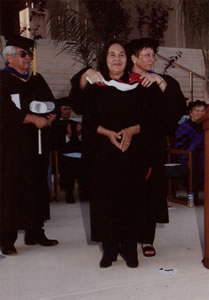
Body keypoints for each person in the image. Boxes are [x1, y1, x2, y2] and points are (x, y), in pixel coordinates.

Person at [69, 39, 161, 268]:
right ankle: (109, 249)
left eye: (121, 54)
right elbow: (85, 117)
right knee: (105, 201)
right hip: (103, 152)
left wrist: (131, 130)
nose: (117, 59)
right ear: (105, 59)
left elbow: (152, 119)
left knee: (132, 200)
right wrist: (108, 133)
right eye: (112, 55)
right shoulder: (96, 85)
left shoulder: (140, 85)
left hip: (133, 153)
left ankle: (130, 249)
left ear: (128, 59)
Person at [126, 37, 186, 257]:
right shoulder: (123, 81)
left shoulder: (162, 81)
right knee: (126, 193)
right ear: (133, 58)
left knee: (149, 193)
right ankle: (125, 237)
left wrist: (160, 83)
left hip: (151, 147)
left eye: (153, 54)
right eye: (146, 55)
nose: (151, 59)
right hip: (125, 146)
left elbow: (176, 112)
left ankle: (146, 239)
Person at [0, 35, 58, 255]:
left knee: (37, 187)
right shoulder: (3, 79)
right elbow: (4, 111)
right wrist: (33, 119)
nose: (29, 58)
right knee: (11, 191)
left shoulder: (36, 79)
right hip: (12, 147)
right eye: (24, 54)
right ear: (10, 57)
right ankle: (7, 238)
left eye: (29, 54)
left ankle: (36, 231)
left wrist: (51, 116)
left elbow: (51, 102)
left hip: (37, 144)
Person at [175, 99, 207, 191]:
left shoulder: (205, 126)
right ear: (191, 113)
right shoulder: (184, 127)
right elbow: (183, 146)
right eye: (197, 110)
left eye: (202, 110)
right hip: (188, 155)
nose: (200, 113)